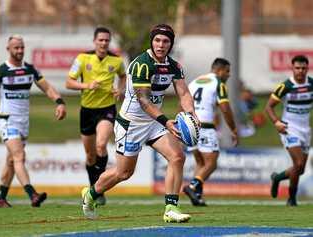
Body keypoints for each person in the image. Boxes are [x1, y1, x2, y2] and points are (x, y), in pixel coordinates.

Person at [81, 24, 196, 223]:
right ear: (152, 41)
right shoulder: (141, 64)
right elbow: (143, 101)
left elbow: (184, 93)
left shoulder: (174, 66)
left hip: (153, 123)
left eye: (166, 41)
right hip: (131, 124)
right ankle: (90, 194)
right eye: (157, 40)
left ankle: (171, 208)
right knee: (123, 173)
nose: (161, 45)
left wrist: (192, 115)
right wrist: (165, 122)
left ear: (171, 44)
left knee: (177, 157)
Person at [0, 35, 66, 207]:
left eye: (21, 47)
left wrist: (59, 102)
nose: (19, 51)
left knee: (11, 161)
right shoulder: (1, 71)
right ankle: (32, 194)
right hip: (7, 121)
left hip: (23, 122)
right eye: (16, 48)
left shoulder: (30, 70)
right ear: (8, 49)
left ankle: (0, 197)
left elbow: (47, 87)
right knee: (19, 156)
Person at [66, 27, 126, 205]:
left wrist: (120, 90)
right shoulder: (83, 58)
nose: (104, 43)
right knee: (90, 156)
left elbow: (123, 77)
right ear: (94, 41)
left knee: (101, 145)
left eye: (107, 40)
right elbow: (68, 82)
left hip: (106, 109)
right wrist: (86, 86)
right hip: (87, 110)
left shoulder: (116, 60)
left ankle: (101, 187)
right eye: (100, 40)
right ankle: (94, 188)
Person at [183, 58, 239, 206]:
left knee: (200, 162)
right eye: (227, 71)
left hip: (190, 125)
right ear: (219, 70)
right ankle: (192, 186)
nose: (228, 75)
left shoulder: (194, 82)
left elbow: (181, 103)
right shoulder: (218, 83)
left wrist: (182, 126)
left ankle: (197, 196)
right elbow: (225, 108)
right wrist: (233, 128)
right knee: (211, 163)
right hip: (205, 126)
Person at [265, 55, 313, 206]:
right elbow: (268, 107)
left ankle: (278, 179)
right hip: (289, 128)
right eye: (297, 68)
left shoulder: (311, 84)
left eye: (303, 68)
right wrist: (276, 122)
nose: (300, 71)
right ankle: (291, 198)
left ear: (307, 69)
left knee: (301, 170)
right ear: (292, 68)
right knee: (298, 164)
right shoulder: (286, 86)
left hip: (305, 129)